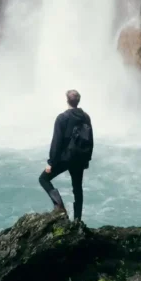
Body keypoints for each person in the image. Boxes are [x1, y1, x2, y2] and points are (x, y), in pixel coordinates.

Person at [39, 89, 93, 222]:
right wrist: (87, 159)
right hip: (80, 158)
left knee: (44, 179)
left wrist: (51, 163)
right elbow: (90, 139)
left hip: (65, 158)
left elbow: (56, 142)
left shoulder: (62, 118)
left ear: (67, 100)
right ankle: (77, 220)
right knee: (77, 189)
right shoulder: (86, 117)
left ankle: (60, 207)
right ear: (78, 101)